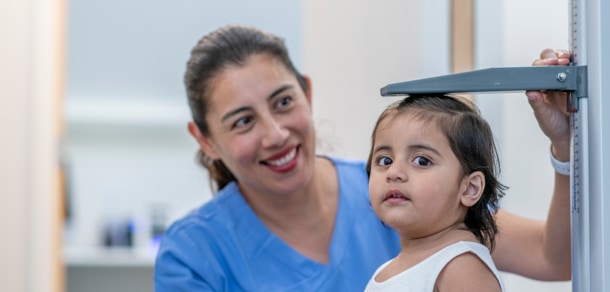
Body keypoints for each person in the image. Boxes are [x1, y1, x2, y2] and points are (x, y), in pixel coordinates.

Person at [154, 24, 571, 291]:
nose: (275, 134)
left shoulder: (408, 198)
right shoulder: (192, 254)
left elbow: (556, 257)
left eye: (283, 102)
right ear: (205, 140)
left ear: (307, 93)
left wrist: (564, 145)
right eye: (243, 121)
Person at [364, 94, 507, 291]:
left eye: (422, 161)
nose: (394, 172)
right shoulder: (387, 271)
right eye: (385, 160)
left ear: (470, 188)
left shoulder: (461, 267)